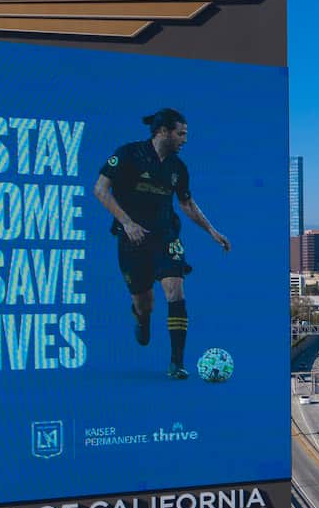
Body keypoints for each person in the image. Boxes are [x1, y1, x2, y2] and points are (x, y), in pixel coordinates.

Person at [93, 109, 230, 379]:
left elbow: (187, 204)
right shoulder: (128, 154)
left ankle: (176, 363)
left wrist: (211, 231)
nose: (185, 140)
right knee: (145, 303)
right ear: (163, 131)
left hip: (166, 237)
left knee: (175, 291)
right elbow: (100, 189)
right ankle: (141, 319)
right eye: (181, 133)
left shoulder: (178, 168)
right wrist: (127, 222)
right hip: (132, 239)